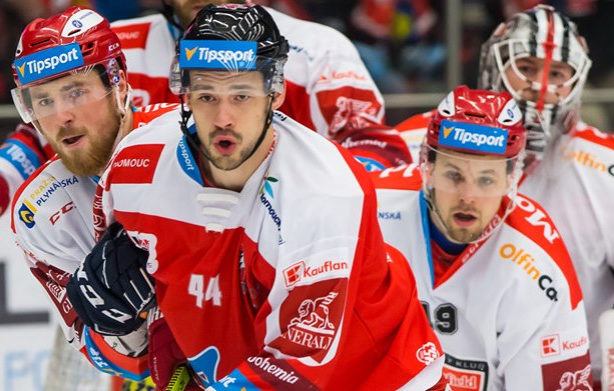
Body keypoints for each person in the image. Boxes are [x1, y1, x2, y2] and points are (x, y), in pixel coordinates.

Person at [65, 4, 448, 390]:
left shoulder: (324, 192)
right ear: (184, 94)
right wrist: (124, 333)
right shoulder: (134, 166)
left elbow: (296, 367)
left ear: (275, 92)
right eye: (207, 95)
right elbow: (133, 322)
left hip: (374, 378)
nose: (224, 117)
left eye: (242, 94)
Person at [0, 0, 411, 265]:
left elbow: (378, 161)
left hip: (269, 286)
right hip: (135, 292)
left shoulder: (316, 51)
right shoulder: (118, 46)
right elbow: (41, 137)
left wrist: (275, 216)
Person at [394, 5, 614, 386]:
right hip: (418, 369)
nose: (540, 86)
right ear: (494, 66)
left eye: (558, 74)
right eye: (526, 68)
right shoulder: (417, 141)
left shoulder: (604, 168)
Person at [8, 6, 184, 387]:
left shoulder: (186, 139)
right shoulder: (39, 209)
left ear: (118, 81)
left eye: (75, 92)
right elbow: (105, 356)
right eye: (43, 100)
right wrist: (116, 326)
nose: (61, 117)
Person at [373, 85, 592, 389]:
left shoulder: (539, 264)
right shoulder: (371, 207)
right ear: (429, 167)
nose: (468, 196)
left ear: (510, 179)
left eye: (486, 179)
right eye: (453, 175)